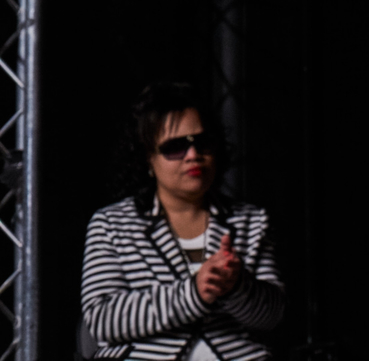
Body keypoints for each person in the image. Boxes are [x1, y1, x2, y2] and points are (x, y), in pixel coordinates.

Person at [81, 82, 284, 360]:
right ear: (147, 159)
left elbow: (272, 317)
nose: (193, 155)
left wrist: (237, 287)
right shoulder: (111, 225)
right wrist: (193, 293)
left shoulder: (251, 221)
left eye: (202, 142)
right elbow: (102, 319)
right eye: (175, 148)